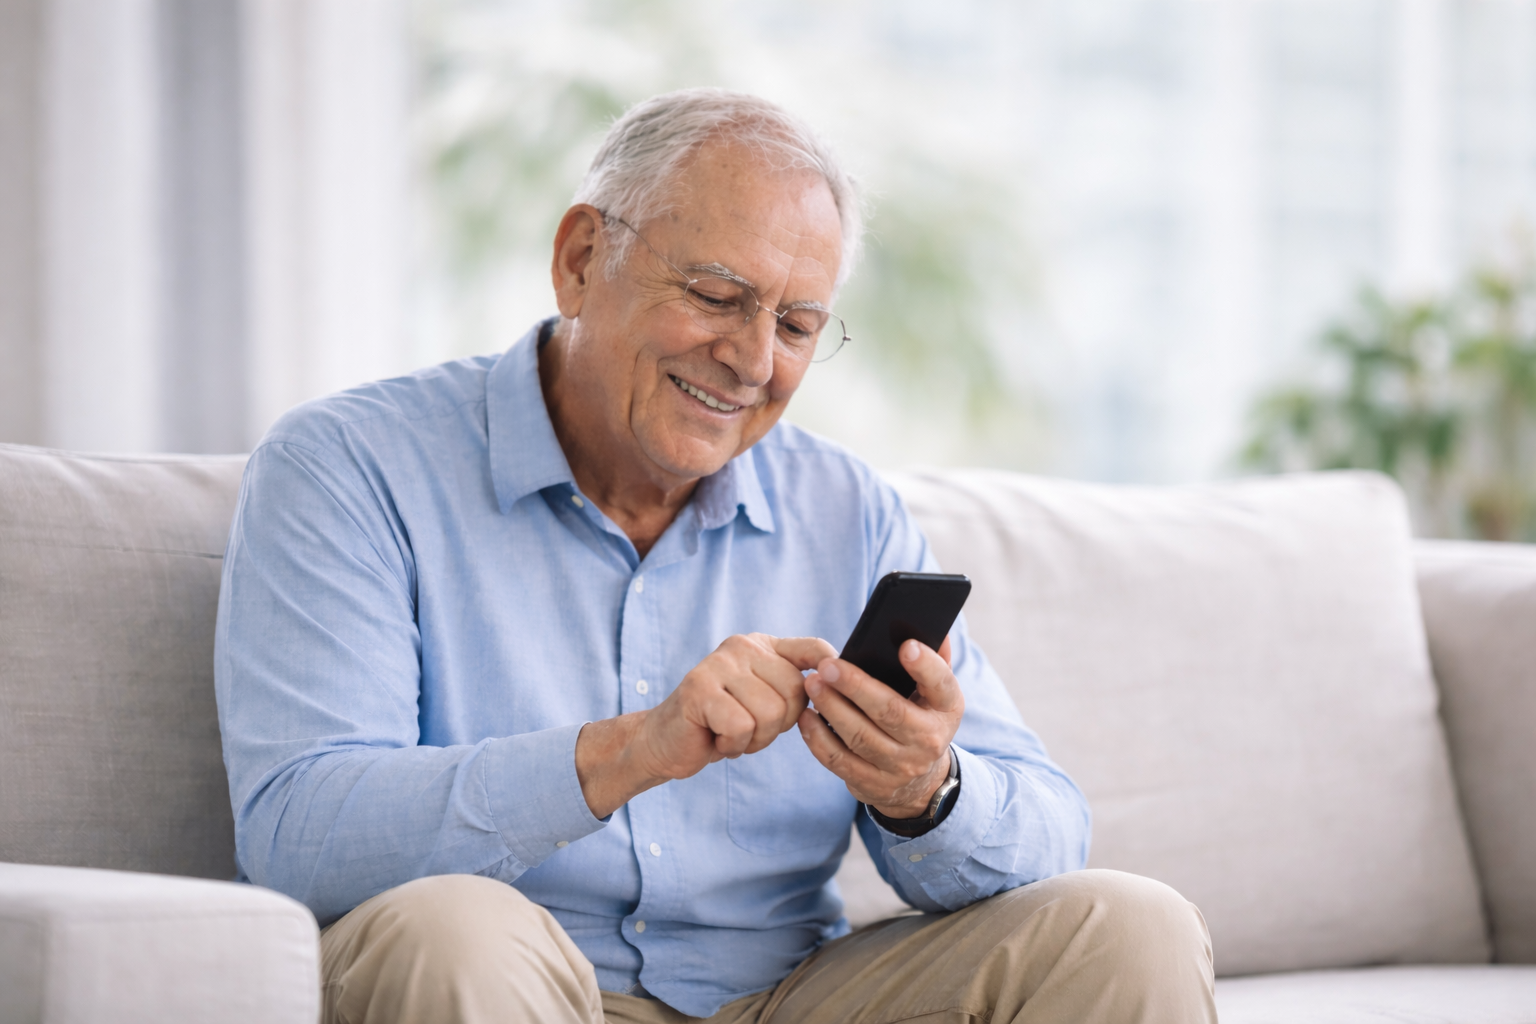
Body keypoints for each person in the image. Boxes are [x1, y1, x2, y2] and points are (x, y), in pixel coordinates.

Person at [215, 87, 1216, 1024]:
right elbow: (301, 830)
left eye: (797, 325)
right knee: (453, 929)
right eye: (715, 293)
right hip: (522, 982)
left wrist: (925, 789)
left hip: (784, 994)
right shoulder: (349, 467)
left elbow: (1051, 825)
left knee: (1130, 926)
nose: (753, 359)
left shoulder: (849, 511)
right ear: (580, 259)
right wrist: (628, 751)